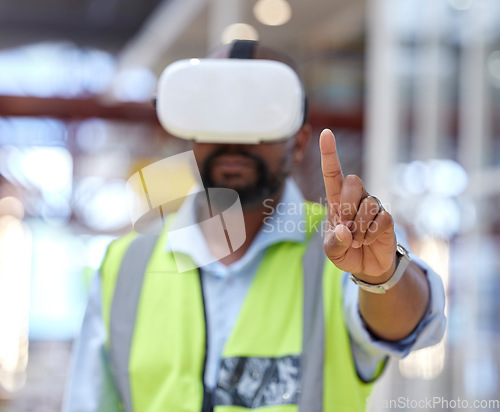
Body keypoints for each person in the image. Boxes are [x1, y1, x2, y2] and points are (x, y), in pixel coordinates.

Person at [63, 40, 446, 412]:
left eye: (258, 117)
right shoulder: (125, 266)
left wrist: (382, 277)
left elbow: (410, 327)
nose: (233, 141)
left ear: (298, 143)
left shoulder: (343, 251)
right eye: (214, 120)